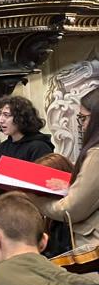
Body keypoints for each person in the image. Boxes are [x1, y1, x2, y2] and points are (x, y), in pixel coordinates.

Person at [30, 87, 99, 249]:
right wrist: (72, 186)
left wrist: (33, 199)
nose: (82, 125)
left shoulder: (96, 154)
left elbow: (71, 210)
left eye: (84, 118)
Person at [0, 95, 55, 162]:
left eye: (6, 115)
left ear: (21, 117)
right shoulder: (2, 148)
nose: (0, 120)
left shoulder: (39, 147)